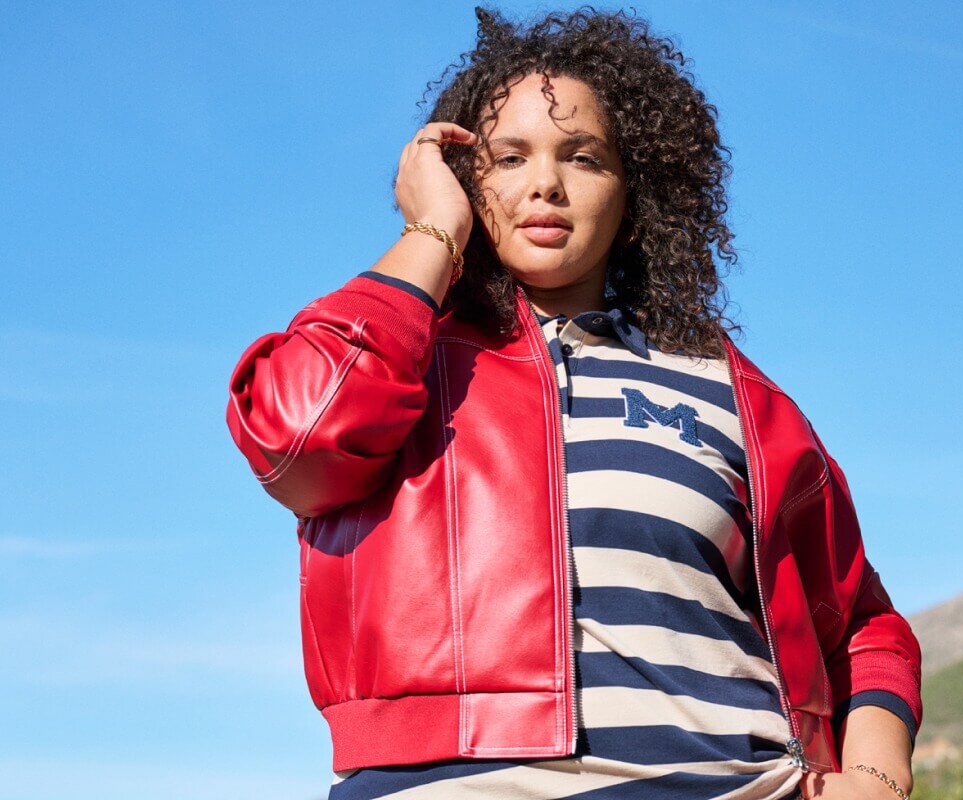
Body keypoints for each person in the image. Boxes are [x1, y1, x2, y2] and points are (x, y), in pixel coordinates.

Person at [227, 8, 921, 799]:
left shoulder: (742, 397)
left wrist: (877, 778)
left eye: (583, 157)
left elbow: (863, 625)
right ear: (465, 181)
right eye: (508, 158)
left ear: (634, 203)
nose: (546, 184)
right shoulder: (397, 357)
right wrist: (432, 231)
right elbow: (298, 438)